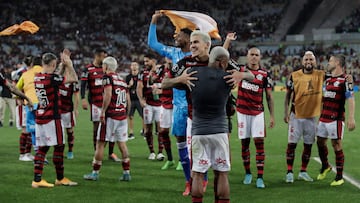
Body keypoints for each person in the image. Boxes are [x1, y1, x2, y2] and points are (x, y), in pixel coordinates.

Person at [147, 11, 192, 183]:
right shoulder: (174, 53)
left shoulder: (198, 56)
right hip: (179, 108)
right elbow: (152, 43)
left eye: (178, 35)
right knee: (181, 143)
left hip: (195, 108)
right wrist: (153, 22)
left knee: (196, 147)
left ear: (187, 38)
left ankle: (202, 179)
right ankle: (189, 181)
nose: (175, 37)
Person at [188, 46, 233, 203]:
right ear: (222, 62)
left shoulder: (193, 74)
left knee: (198, 173)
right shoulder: (228, 78)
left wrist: (178, 80)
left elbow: (167, 83)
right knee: (222, 173)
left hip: (199, 131)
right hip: (220, 130)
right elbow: (252, 77)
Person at [31, 51, 78, 188]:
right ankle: (60, 178)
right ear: (52, 64)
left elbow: (57, 76)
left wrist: (62, 65)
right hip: (52, 117)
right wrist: (69, 64)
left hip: (40, 116)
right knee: (59, 146)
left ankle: (37, 179)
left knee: (42, 149)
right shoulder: (51, 79)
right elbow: (73, 78)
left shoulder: (38, 77)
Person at [83, 56, 131, 181]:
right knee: (122, 144)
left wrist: (103, 111)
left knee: (100, 143)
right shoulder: (122, 80)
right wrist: (126, 112)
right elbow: (128, 99)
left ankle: (95, 173)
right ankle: (126, 172)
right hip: (121, 116)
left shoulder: (107, 78)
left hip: (111, 116)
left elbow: (108, 94)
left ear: (106, 66)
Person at [235, 47, 275, 188]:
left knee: (259, 144)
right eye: (251, 54)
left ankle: (260, 177)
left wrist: (271, 116)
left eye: (256, 55)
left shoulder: (264, 74)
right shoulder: (240, 70)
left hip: (258, 113)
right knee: (244, 144)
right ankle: (248, 173)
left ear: (260, 57)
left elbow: (269, 97)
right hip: (242, 112)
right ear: (247, 56)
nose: (253, 57)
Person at [284, 51, 325, 183]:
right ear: (302, 62)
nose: (308, 62)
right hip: (296, 116)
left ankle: (303, 171)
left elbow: (336, 77)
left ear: (315, 61)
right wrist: (285, 113)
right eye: (306, 59)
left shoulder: (321, 75)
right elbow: (287, 96)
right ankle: (289, 172)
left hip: (312, 117)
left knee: (308, 145)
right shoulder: (294, 76)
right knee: (292, 144)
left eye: (311, 59)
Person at [316, 54, 355, 186]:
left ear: (337, 63)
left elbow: (350, 98)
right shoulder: (327, 80)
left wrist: (351, 118)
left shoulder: (345, 80)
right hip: (323, 118)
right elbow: (323, 99)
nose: (328, 63)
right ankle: (326, 166)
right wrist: (319, 116)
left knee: (336, 144)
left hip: (336, 119)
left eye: (330, 61)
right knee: (320, 142)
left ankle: (339, 177)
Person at [80, 48, 120, 162]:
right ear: (97, 56)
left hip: (109, 104)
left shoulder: (107, 69)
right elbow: (83, 85)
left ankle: (111, 153)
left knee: (111, 128)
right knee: (97, 128)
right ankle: (97, 152)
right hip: (96, 104)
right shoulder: (88, 69)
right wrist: (83, 99)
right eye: (103, 56)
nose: (105, 58)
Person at [136, 53, 163, 160]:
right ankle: (151, 152)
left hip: (160, 104)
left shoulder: (162, 71)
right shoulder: (143, 73)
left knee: (161, 129)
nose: (145, 63)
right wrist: (141, 99)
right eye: (145, 61)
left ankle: (160, 152)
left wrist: (161, 91)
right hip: (148, 105)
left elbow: (168, 86)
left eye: (147, 61)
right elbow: (139, 87)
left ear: (153, 61)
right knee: (148, 129)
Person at [16, 56, 43, 161]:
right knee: (29, 130)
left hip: (27, 103)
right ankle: (24, 154)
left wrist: (19, 99)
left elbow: (15, 88)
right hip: (37, 103)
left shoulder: (24, 74)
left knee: (31, 129)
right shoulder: (42, 72)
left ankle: (28, 153)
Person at [59, 50, 80, 159]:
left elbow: (76, 95)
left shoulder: (72, 77)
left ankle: (70, 151)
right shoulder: (58, 75)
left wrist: (76, 109)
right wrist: (64, 62)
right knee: (59, 132)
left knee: (69, 131)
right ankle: (60, 151)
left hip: (68, 109)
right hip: (58, 109)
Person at [125, 62, 144, 140]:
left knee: (143, 116)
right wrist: (129, 85)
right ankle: (131, 132)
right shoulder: (128, 77)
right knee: (130, 116)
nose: (134, 66)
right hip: (131, 99)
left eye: (135, 65)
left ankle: (144, 131)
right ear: (130, 67)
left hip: (139, 99)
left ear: (138, 67)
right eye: (132, 65)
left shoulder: (141, 76)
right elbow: (125, 88)